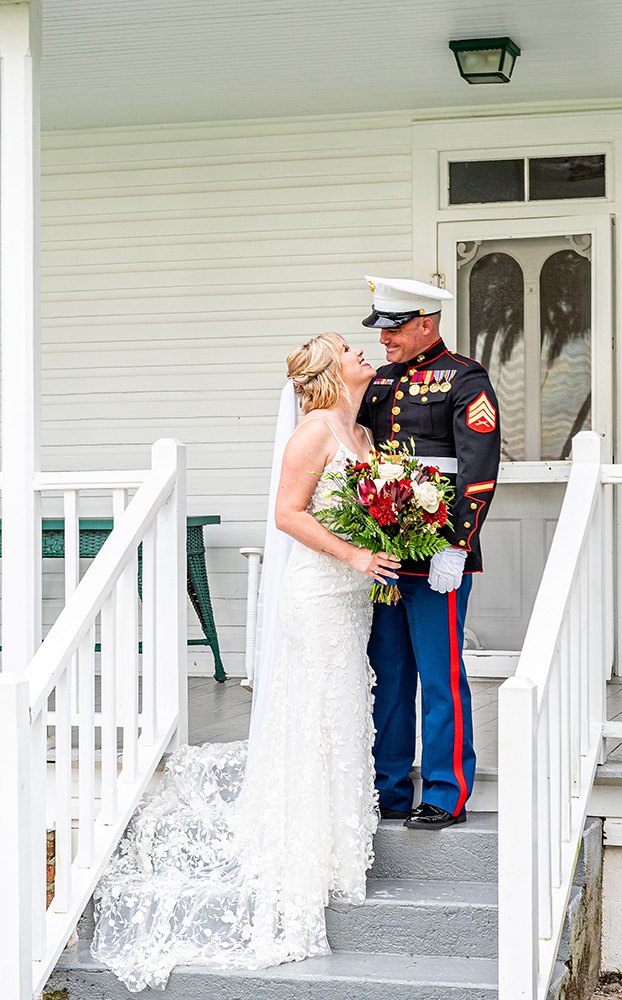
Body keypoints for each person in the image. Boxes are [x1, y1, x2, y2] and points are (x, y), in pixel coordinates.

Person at [90, 333, 400, 992]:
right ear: (326, 373)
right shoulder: (313, 433)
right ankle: (304, 853)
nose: (360, 354)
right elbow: (288, 514)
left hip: (354, 600)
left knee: (344, 715)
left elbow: (364, 511)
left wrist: (385, 538)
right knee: (317, 715)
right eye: (348, 349)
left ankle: (338, 852)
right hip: (318, 594)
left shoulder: (366, 436)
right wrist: (352, 557)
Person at [357, 276, 501, 830]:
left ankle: (446, 790)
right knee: (389, 671)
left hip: (439, 552)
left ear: (425, 323)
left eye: (393, 329)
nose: (384, 340)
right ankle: (388, 786)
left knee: (439, 673)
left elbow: (479, 469)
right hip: (383, 552)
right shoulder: (379, 380)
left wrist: (457, 546)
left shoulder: (465, 378)